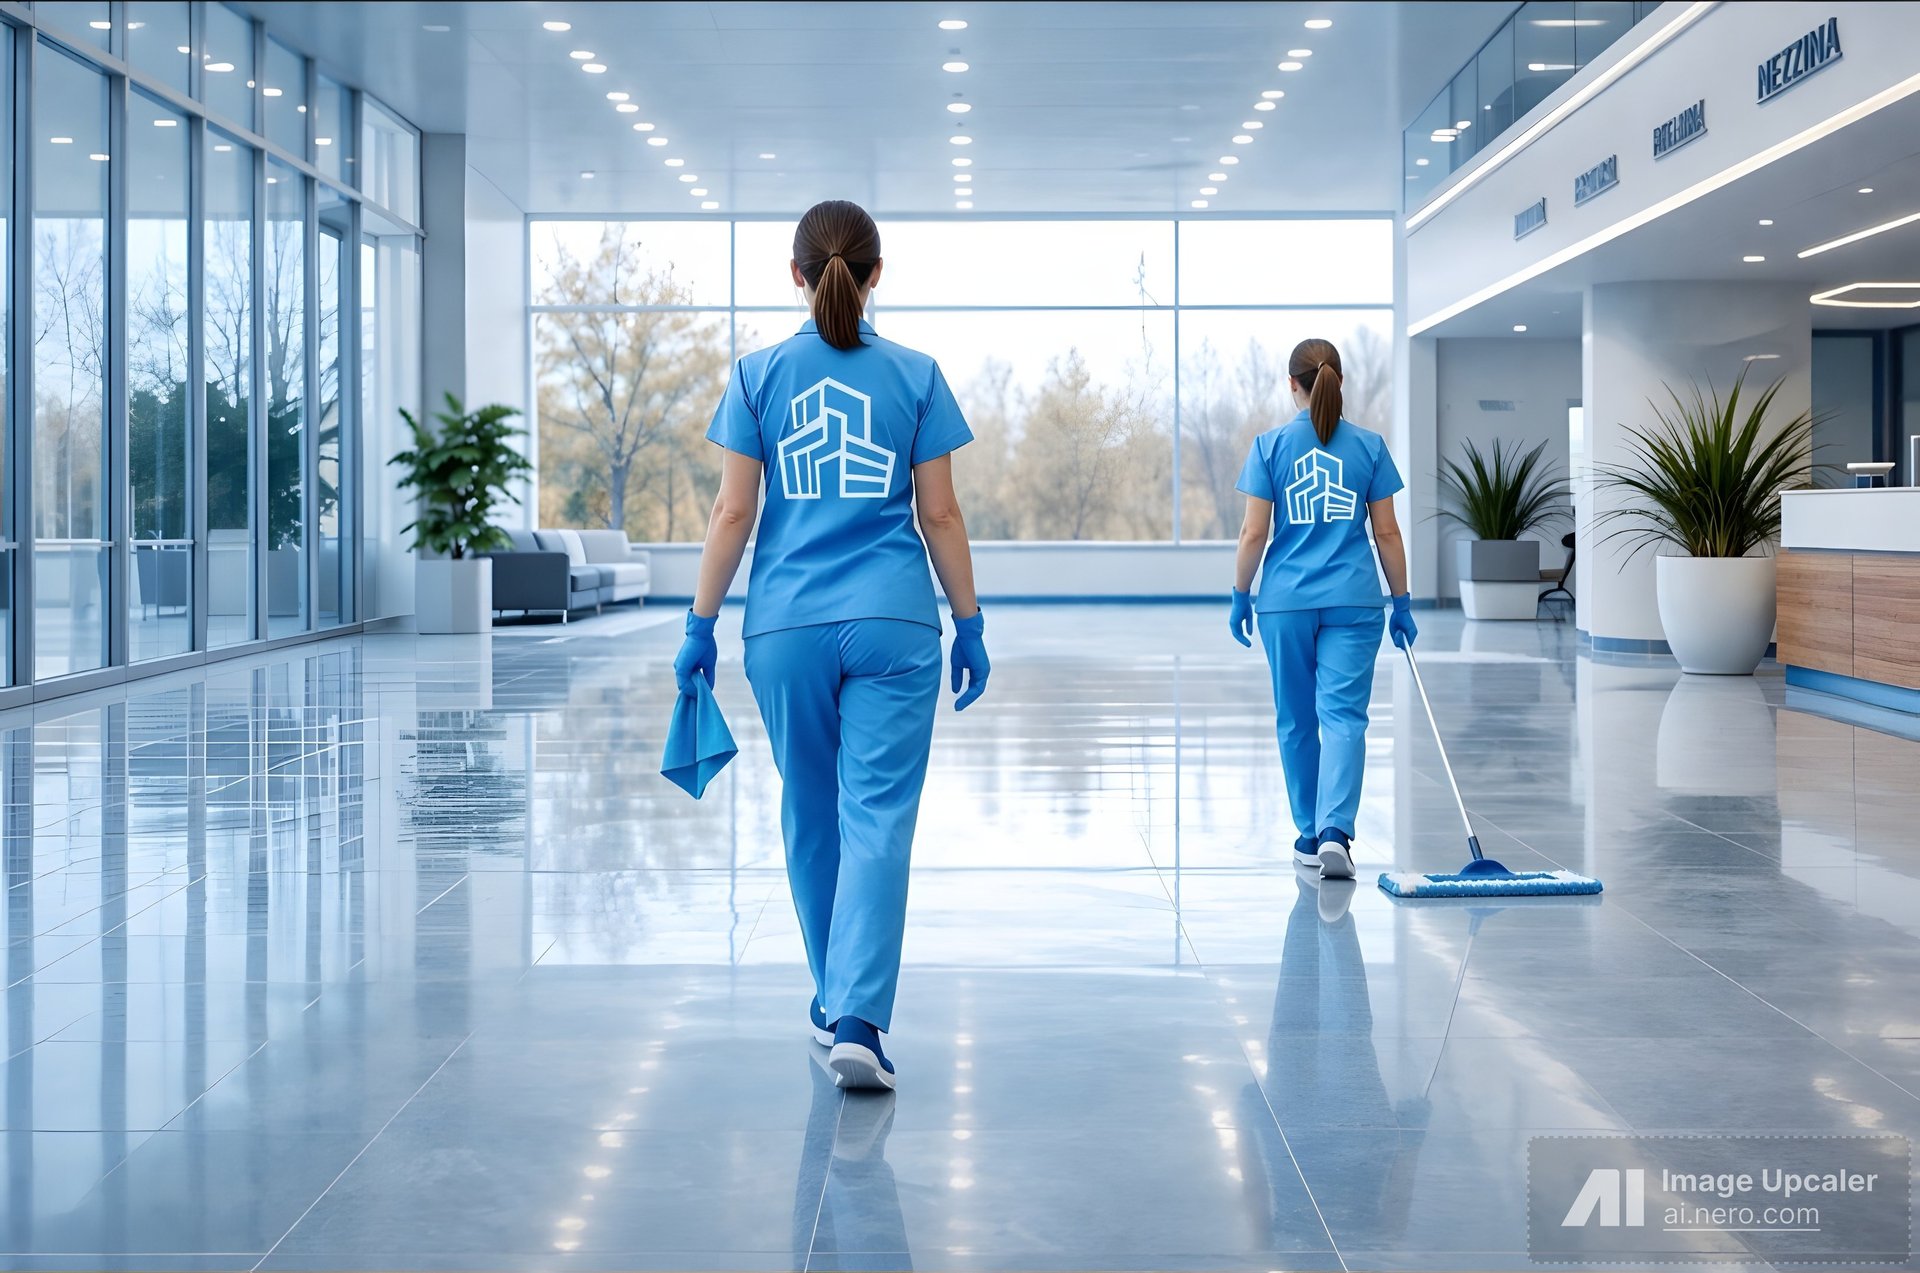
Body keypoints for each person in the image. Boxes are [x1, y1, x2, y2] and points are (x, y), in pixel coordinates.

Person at [674, 200, 988, 1091]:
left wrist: (699, 623)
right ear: (876, 273)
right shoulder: (917, 375)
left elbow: (732, 511)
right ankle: (858, 1017)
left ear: (796, 275)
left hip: (786, 629)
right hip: (894, 623)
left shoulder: (757, 375)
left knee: (811, 810)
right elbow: (940, 514)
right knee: (877, 816)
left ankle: (830, 996)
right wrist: (969, 621)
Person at [1227, 337, 1414, 880]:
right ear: (1339, 381)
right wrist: (1402, 602)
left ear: (1293, 384)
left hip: (1285, 604)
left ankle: (1309, 834)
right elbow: (1387, 533)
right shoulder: (1370, 447)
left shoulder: (1269, 447)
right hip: (1355, 601)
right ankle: (1336, 832)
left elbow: (1253, 533)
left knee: (1296, 719)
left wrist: (1240, 595)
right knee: (1345, 718)